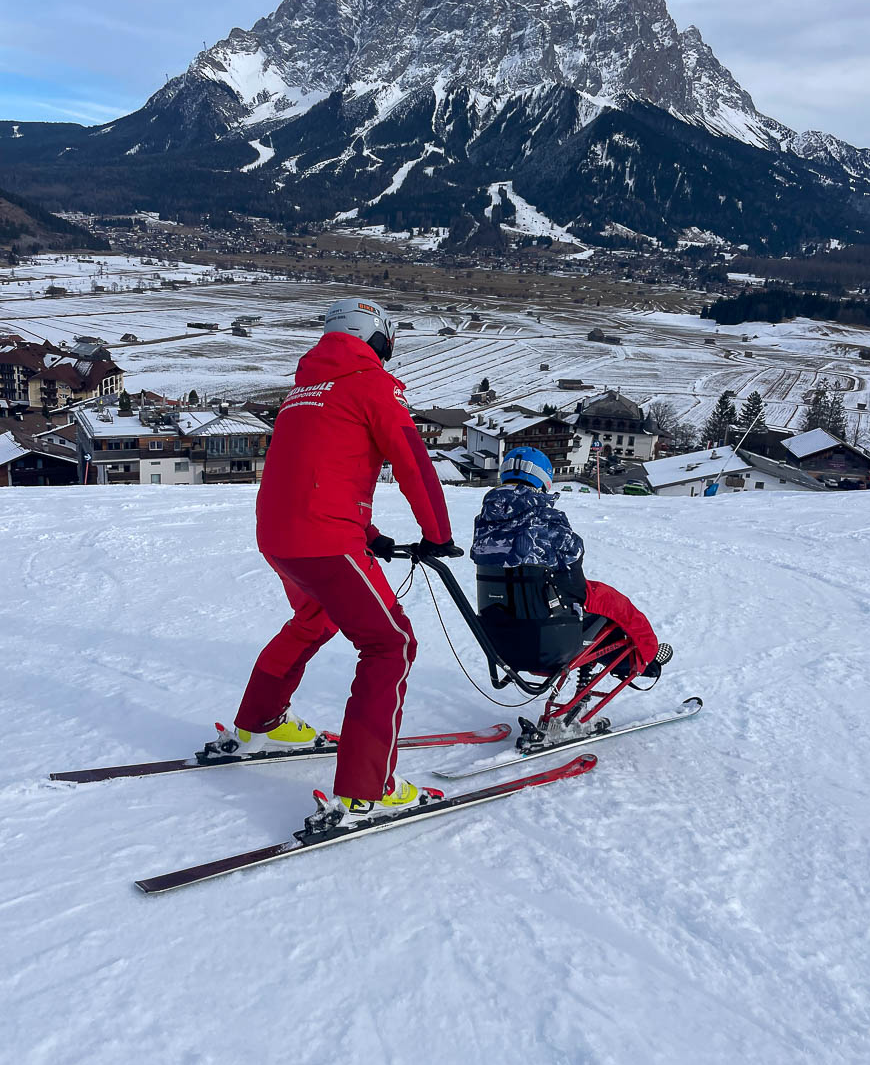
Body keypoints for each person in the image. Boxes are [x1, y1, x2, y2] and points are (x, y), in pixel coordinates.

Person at [211, 298, 462, 822]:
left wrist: (367, 532)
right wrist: (437, 535)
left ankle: (262, 722)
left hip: (280, 536)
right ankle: (366, 788)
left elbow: (319, 468)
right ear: (378, 337)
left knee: (314, 618)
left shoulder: (303, 390)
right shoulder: (371, 384)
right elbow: (412, 460)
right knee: (390, 643)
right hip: (324, 540)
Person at [471, 446, 670, 678]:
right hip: (549, 637)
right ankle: (646, 656)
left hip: (502, 638)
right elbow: (573, 574)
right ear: (543, 478)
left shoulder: (484, 523)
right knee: (614, 605)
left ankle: (630, 658)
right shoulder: (547, 518)